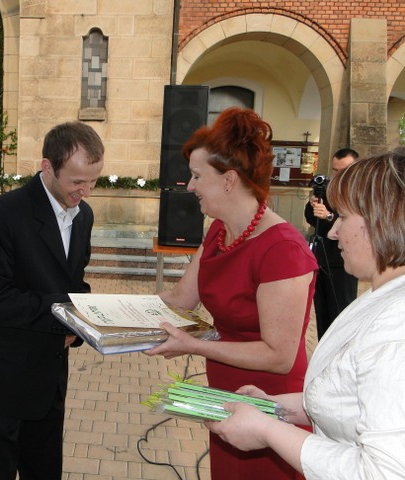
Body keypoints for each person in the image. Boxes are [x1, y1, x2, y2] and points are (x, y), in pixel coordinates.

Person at [206, 149, 405, 478]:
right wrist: (275, 406)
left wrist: (268, 431)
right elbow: (350, 402)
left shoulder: (395, 329)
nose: (333, 232)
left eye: (343, 217)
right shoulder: (382, 297)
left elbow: (383, 471)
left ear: (381, 222)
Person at [145, 107, 318, 480]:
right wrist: (101, 312)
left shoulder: (283, 250)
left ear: (228, 180)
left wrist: (194, 346)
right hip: (225, 395)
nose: (189, 186)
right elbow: (180, 299)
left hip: (271, 403)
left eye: (196, 176)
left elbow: (279, 356)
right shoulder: (218, 232)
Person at [0, 121, 105, 480]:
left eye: (94, 181)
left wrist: (87, 316)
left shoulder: (83, 215)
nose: (86, 191)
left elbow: (73, 284)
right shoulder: (4, 213)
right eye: (77, 181)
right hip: (3, 374)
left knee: (44, 470)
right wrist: (65, 318)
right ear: (47, 167)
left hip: (49, 374)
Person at [304, 147, 359, 338]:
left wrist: (329, 216)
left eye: (344, 170)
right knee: (322, 313)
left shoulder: (360, 192)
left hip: (344, 263)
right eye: (335, 170)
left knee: (341, 311)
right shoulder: (328, 189)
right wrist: (313, 206)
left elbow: (358, 223)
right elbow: (312, 220)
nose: (338, 175)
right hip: (322, 259)